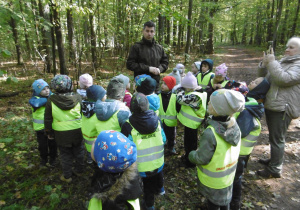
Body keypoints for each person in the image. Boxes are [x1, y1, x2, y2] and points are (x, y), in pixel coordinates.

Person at [189, 89, 245, 210]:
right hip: (228, 177)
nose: (208, 103)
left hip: (213, 182)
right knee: (225, 201)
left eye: (211, 103)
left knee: (213, 204)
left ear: (217, 110)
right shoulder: (234, 125)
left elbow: (201, 158)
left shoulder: (211, 133)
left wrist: (191, 154)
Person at [256, 37, 300, 178]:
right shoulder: (283, 62)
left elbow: (283, 79)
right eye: (287, 46)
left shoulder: (298, 65)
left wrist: (272, 62)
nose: (287, 49)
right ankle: (275, 160)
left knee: (277, 139)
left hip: (283, 107)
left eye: (291, 47)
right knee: (275, 136)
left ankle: (275, 169)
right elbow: (265, 78)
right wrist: (264, 64)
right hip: (274, 104)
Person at [121, 93, 166, 210]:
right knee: (156, 177)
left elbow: (125, 148)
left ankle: (149, 205)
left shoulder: (127, 125)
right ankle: (160, 189)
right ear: (148, 106)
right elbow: (164, 139)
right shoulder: (157, 120)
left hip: (141, 167)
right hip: (158, 161)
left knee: (147, 186)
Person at [230, 78, 270, 210]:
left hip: (240, 152)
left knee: (235, 177)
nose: (252, 81)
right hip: (242, 151)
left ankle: (235, 202)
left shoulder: (247, 110)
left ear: (259, 89)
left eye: (256, 82)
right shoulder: (251, 102)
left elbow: (240, 132)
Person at [44, 75, 85, 183]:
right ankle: (80, 170)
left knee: (65, 154)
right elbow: (83, 113)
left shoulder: (51, 100)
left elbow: (48, 118)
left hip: (61, 134)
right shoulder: (77, 97)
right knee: (79, 151)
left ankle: (67, 176)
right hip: (78, 131)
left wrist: (49, 132)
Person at [88, 130, 142, 210]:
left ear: (102, 162)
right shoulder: (132, 180)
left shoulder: (107, 201)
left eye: (95, 144)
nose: (94, 141)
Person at [126, 21, 169, 92]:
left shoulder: (159, 48)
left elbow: (165, 63)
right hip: (140, 85)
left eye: (151, 31)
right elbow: (130, 64)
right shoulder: (136, 47)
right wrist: (148, 69)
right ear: (143, 31)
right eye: (147, 31)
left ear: (154, 32)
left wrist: (159, 69)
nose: (149, 33)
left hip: (155, 85)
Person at [175, 72, 207, 168]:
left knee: (190, 143)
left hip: (193, 123)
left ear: (188, 88)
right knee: (188, 141)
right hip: (190, 123)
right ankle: (188, 156)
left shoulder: (195, 96)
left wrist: (179, 90)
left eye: (185, 88)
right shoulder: (199, 91)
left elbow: (180, 99)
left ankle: (190, 162)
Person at [29, 79, 57, 168]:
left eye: (48, 88)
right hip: (40, 129)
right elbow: (36, 104)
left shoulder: (51, 96)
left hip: (51, 127)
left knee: (53, 144)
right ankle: (44, 159)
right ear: (38, 91)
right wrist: (48, 99)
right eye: (43, 89)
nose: (47, 90)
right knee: (43, 146)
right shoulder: (34, 99)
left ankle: (53, 159)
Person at [82, 85, 106, 164]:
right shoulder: (99, 110)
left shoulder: (85, 107)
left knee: (90, 155)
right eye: (104, 95)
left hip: (87, 140)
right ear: (99, 98)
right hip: (97, 142)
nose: (105, 96)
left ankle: (90, 161)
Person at [158, 76, 181, 155]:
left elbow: (178, 109)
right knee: (161, 135)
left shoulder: (175, 97)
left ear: (171, 86)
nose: (162, 85)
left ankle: (171, 147)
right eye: (162, 83)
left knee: (171, 136)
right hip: (160, 122)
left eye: (165, 84)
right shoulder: (158, 96)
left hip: (171, 122)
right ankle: (162, 148)